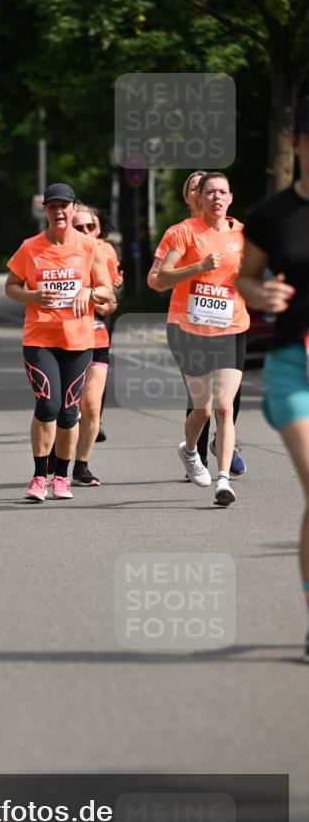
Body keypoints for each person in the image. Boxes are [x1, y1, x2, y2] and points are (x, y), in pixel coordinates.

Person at [236, 94, 309, 658]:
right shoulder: (271, 214)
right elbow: (246, 281)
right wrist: (264, 293)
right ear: (297, 143)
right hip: (293, 366)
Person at [4, 182, 114, 501]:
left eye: (64, 206)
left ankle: (62, 478)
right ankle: (40, 477)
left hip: (79, 340)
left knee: (69, 412)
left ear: (73, 209)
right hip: (39, 337)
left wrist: (88, 291)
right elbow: (10, 286)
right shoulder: (30, 247)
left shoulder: (88, 246)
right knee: (47, 405)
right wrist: (32, 294)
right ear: (46, 212)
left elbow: (107, 290)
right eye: (52, 206)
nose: (58, 211)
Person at [157, 172, 248, 506]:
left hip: (231, 327)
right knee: (203, 409)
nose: (216, 197)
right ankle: (190, 449)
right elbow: (158, 280)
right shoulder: (181, 233)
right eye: (209, 192)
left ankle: (223, 481)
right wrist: (197, 267)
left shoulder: (244, 234)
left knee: (225, 408)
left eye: (222, 191)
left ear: (230, 197)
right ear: (198, 198)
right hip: (188, 330)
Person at [70, 205, 118, 485]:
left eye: (91, 227)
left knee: (91, 404)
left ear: (98, 229)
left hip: (97, 336)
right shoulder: (58, 254)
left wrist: (101, 299)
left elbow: (111, 300)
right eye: (80, 227)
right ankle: (55, 453)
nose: (87, 232)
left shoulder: (103, 254)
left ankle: (82, 466)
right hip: (62, 339)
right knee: (65, 408)